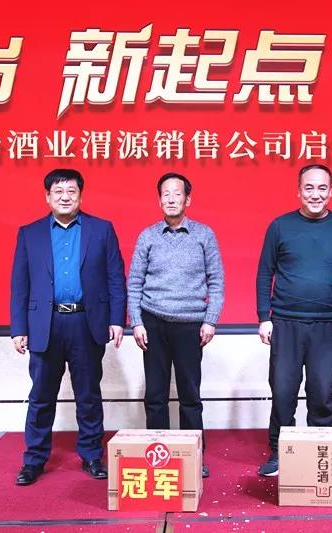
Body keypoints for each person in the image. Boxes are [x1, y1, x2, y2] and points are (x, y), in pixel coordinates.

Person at [10, 168, 126, 486]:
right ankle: (34, 460)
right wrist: (19, 327)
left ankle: (92, 455)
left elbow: (115, 277)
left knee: (88, 394)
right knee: (41, 396)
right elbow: (20, 284)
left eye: (71, 191)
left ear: (80, 195)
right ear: (47, 197)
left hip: (85, 322)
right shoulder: (30, 233)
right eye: (58, 191)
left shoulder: (101, 230)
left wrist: (117, 319)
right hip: (44, 324)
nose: (65, 197)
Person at [255, 164, 332, 477]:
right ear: (298, 191)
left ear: (331, 191)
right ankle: (279, 452)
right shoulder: (280, 226)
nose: (316, 194)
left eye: (322, 188)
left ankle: (319, 453)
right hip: (285, 323)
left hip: (325, 324)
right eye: (309, 188)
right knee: (283, 392)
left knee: (322, 392)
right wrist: (264, 317)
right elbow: (265, 273)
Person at [127, 173, 224, 479]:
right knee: (155, 395)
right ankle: (159, 456)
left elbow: (216, 281)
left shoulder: (204, 235)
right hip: (153, 323)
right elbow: (134, 283)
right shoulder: (148, 236)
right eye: (165, 194)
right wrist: (137, 322)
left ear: (187, 199)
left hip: (190, 325)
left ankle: (194, 456)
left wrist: (210, 320)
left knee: (190, 396)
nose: (171, 199)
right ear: (159, 200)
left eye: (177, 193)